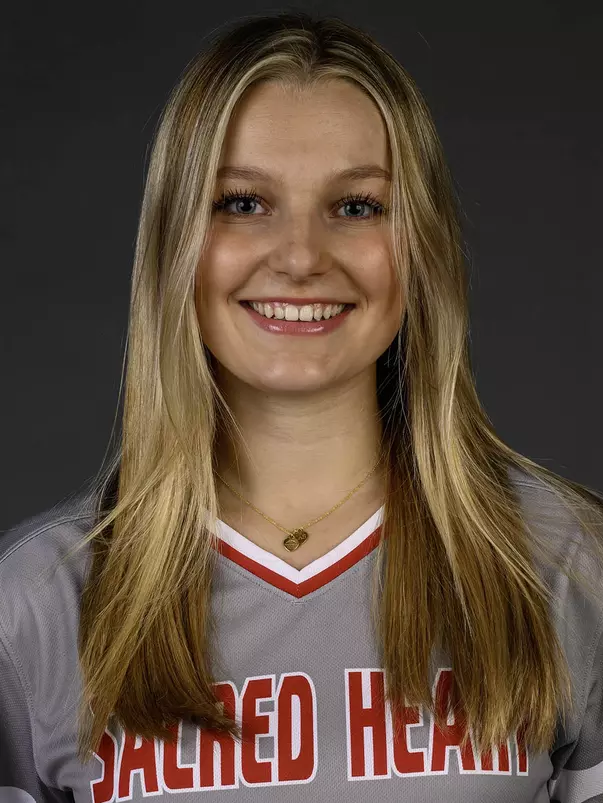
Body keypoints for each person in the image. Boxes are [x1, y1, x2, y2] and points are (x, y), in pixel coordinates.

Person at [1, 10, 602, 803]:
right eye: (242, 202)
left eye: (356, 206)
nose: (298, 256)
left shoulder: (562, 562)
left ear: (419, 245)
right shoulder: (37, 603)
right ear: (175, 241)